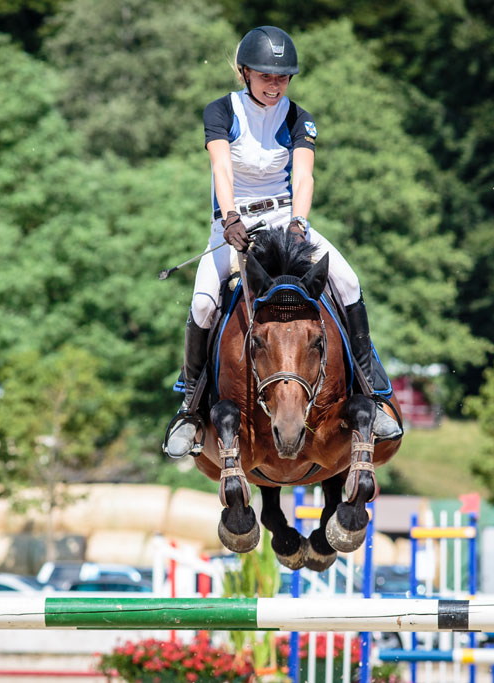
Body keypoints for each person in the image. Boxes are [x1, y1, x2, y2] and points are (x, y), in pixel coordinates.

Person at [162, 26, 401, 458]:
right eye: (266, 77)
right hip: (232, 222)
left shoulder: (298, 116)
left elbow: (304, 174)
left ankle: (376, 391)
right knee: (202, 303)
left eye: (282, 78)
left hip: (285, 216)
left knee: (347, 280)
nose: (275, 86)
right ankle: (190, 410)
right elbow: (222, 169)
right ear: (245, 73)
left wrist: (299, 223)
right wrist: (229, 216)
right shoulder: (221, 111)